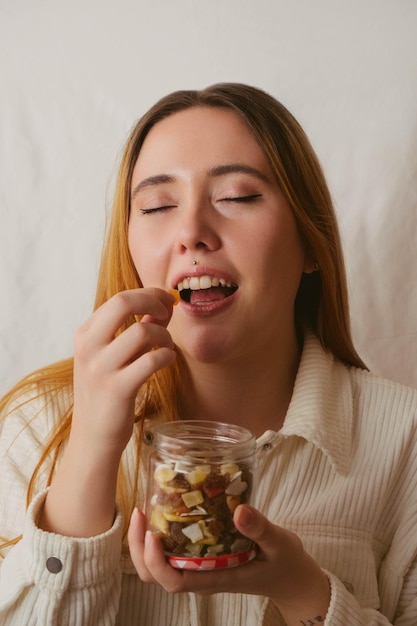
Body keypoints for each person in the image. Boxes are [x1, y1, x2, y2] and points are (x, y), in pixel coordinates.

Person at [0, 83, 416, 626]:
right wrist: (90, 453)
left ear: (311, 242)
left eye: (237, 197)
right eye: (157, 205)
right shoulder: (37, 423)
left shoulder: (403, 440)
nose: (191, 232)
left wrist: (302, 592)